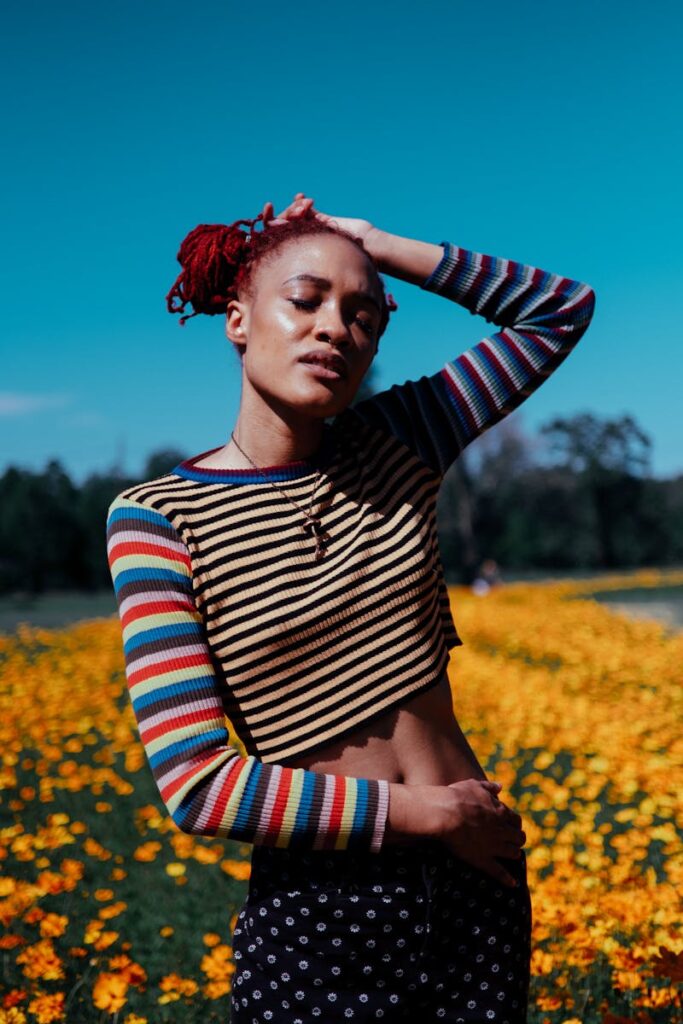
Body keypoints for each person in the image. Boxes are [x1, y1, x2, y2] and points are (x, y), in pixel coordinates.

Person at [105, 192, 596, 1023]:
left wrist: (368, 240)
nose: (335, 328)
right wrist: (427, 815)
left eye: (364, 316)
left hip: (477, 877)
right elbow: (197, 785)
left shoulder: (399, 438)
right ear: (236, 320)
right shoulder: (158, 518)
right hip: (324, 910)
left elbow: (558, 311)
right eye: (305, 300)